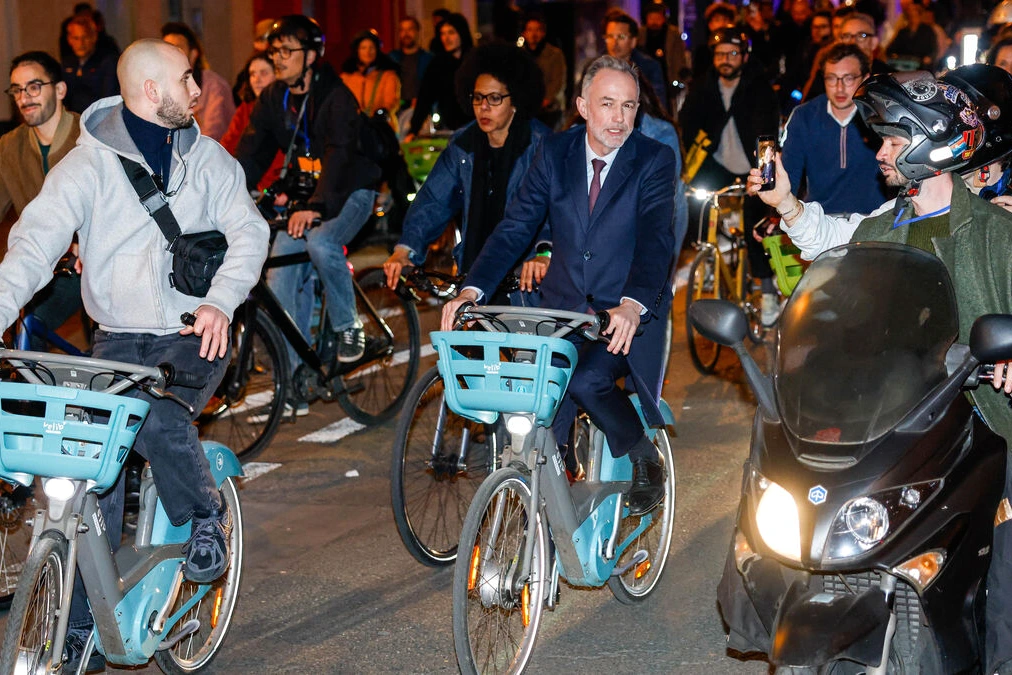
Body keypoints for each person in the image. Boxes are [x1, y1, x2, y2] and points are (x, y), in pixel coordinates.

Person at [0, 38, 268, 670]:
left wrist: (221, 302)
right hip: (117, 338)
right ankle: (83, 623)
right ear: (152, 91)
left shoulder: (212, 162)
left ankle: (205, 517)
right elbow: (34, 247)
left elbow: (250, 232)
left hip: (191, 332)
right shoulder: (85, 166)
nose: (198, 91)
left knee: (158, 412)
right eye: (187, 80)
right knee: (92, 471)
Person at [740, 68, 1012, 672]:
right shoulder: (885, 225)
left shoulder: (998, 233)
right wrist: (784, 203)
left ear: (929, 148)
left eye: (890, 142)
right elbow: (833, 248)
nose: (879, 152)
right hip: (905, 416)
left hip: (989, 422)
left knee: (1008, 591)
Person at [440, 56, 677, 515]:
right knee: (535, 416)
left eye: (629, 106)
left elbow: (656, 237)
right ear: (583, 106)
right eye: (607, 104)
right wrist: (472, 289)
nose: (619, 117)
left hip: (625, 311)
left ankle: (644, 456)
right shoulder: (554, 152)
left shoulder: (653, 158)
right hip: (563, 310)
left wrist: (632, 304)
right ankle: (542, 519)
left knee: (589, 380)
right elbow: (516, 227)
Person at [235, 15, 382, 379]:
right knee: (279, 275)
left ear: (312, 55)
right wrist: (227, 189)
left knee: (320, 243)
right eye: (275, 50)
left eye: (288, 50)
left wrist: (317, 207)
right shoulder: (274, 97)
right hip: (308, 193)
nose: (279, 58)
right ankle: (295, 377)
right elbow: (253, 152)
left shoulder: (336, 97)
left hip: (350, 190)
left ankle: (350, 327)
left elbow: (340, 156)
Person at [383, 42, 549, 307]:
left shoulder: (540, 145)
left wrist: (545, 251)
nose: (483, 107)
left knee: (524, 349)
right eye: (477, 97)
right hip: (473, 273)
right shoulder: (463, 144)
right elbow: (433, 199)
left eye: (495, 98)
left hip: (524, 281)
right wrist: (406, 250)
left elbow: (556, 209)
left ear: (516, 99)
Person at [679, 27, 781, 324]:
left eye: (733, 53)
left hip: (752, 167)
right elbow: (688, 126)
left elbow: (768, 134)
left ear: (745, 56)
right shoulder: (702, 87)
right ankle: (708, 257)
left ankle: (767, 291)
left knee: (755, 226)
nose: (726, 59)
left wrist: (766, 177)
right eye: (720, 53)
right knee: (696, 203)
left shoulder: (759, 88)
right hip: (716, 166)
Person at [0, 51, 84, 351]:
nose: (24, 97)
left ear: (60, 90)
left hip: (87, 262)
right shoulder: (10, 146)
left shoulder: (88, 137)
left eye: (34, 86)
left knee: (30, 328)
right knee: (20, 329)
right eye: (17, 90)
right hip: (39, 260)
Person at [780, 42, 889, 214]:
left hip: (875, 219)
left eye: (848, 78)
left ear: (866, 78)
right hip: (821, 221)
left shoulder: (882, 116)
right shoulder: (804, 116)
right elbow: (789, 175)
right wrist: (779, 214)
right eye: (831, 78)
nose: (839, 87)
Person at [161, 22, 236, 142]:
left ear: (193, 54)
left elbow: (212, 136)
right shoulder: (161, 86)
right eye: (166, 49)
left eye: (177, 48)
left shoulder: (214, 86)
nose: (171, 54)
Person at [406, 12, 474, 140]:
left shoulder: (474, 61)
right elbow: (425, 98)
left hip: (475, 125)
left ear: (461, 33)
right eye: (443, 33)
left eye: (451, 32)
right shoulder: (437, 64)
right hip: (450, 128)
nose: (446, 38)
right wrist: (413, 130)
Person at [220, 52, 282, 191]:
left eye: (264, 73)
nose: (257, 79)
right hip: (246, 182)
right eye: (252, 74)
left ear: (277, 75)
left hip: (273, 187)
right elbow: (228, 144)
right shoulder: (245, 108)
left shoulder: (285, 108)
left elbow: (280, 159)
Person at [602, 9, 668, 110]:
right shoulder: (594, 67)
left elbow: (658, 107)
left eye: (621, 37)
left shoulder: (649, 67)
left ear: (633, 41)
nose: (614, 43)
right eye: (610, 36)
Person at [340, 30, 401, 133]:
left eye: (371, 48)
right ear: (357, 50)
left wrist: (382, 112)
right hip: (353, 129)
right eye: (363, 48)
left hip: (381, 129)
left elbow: (391, 101)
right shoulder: (346, 77)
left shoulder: (388, 75)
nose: (368, 52)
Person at [62, 13, 119, 113]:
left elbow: (108, 100)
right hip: (72, 120)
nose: (81, 43)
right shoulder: (66, 63)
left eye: (85, 37)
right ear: (69, 40)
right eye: (76, 38)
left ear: (94, 37)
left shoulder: (107, 62)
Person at [638, 1, 691, 110]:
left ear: (663, 18)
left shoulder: (673, 34)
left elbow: (679, 59)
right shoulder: (641, 34)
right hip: (645, 77)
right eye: (651, 18)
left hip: (667, 77)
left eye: (657, 18)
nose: (654, 22)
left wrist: (677, 81)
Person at [521, 11, 567, 131]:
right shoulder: (520, 55)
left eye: (537, 30)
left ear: (543, 32)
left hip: (551, 111)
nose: (533, 34)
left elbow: (558, 81)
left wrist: (545, 100)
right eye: (530, 30)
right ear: (524, 33)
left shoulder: (554, 54)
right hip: (528, 111)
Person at [389, 17, 433, 117]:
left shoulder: (429, 59)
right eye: (402, 30)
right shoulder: (391, 59)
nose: (406, 33)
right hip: (397, 112)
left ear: (418, 32)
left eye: (410, 29)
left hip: (423, 111)